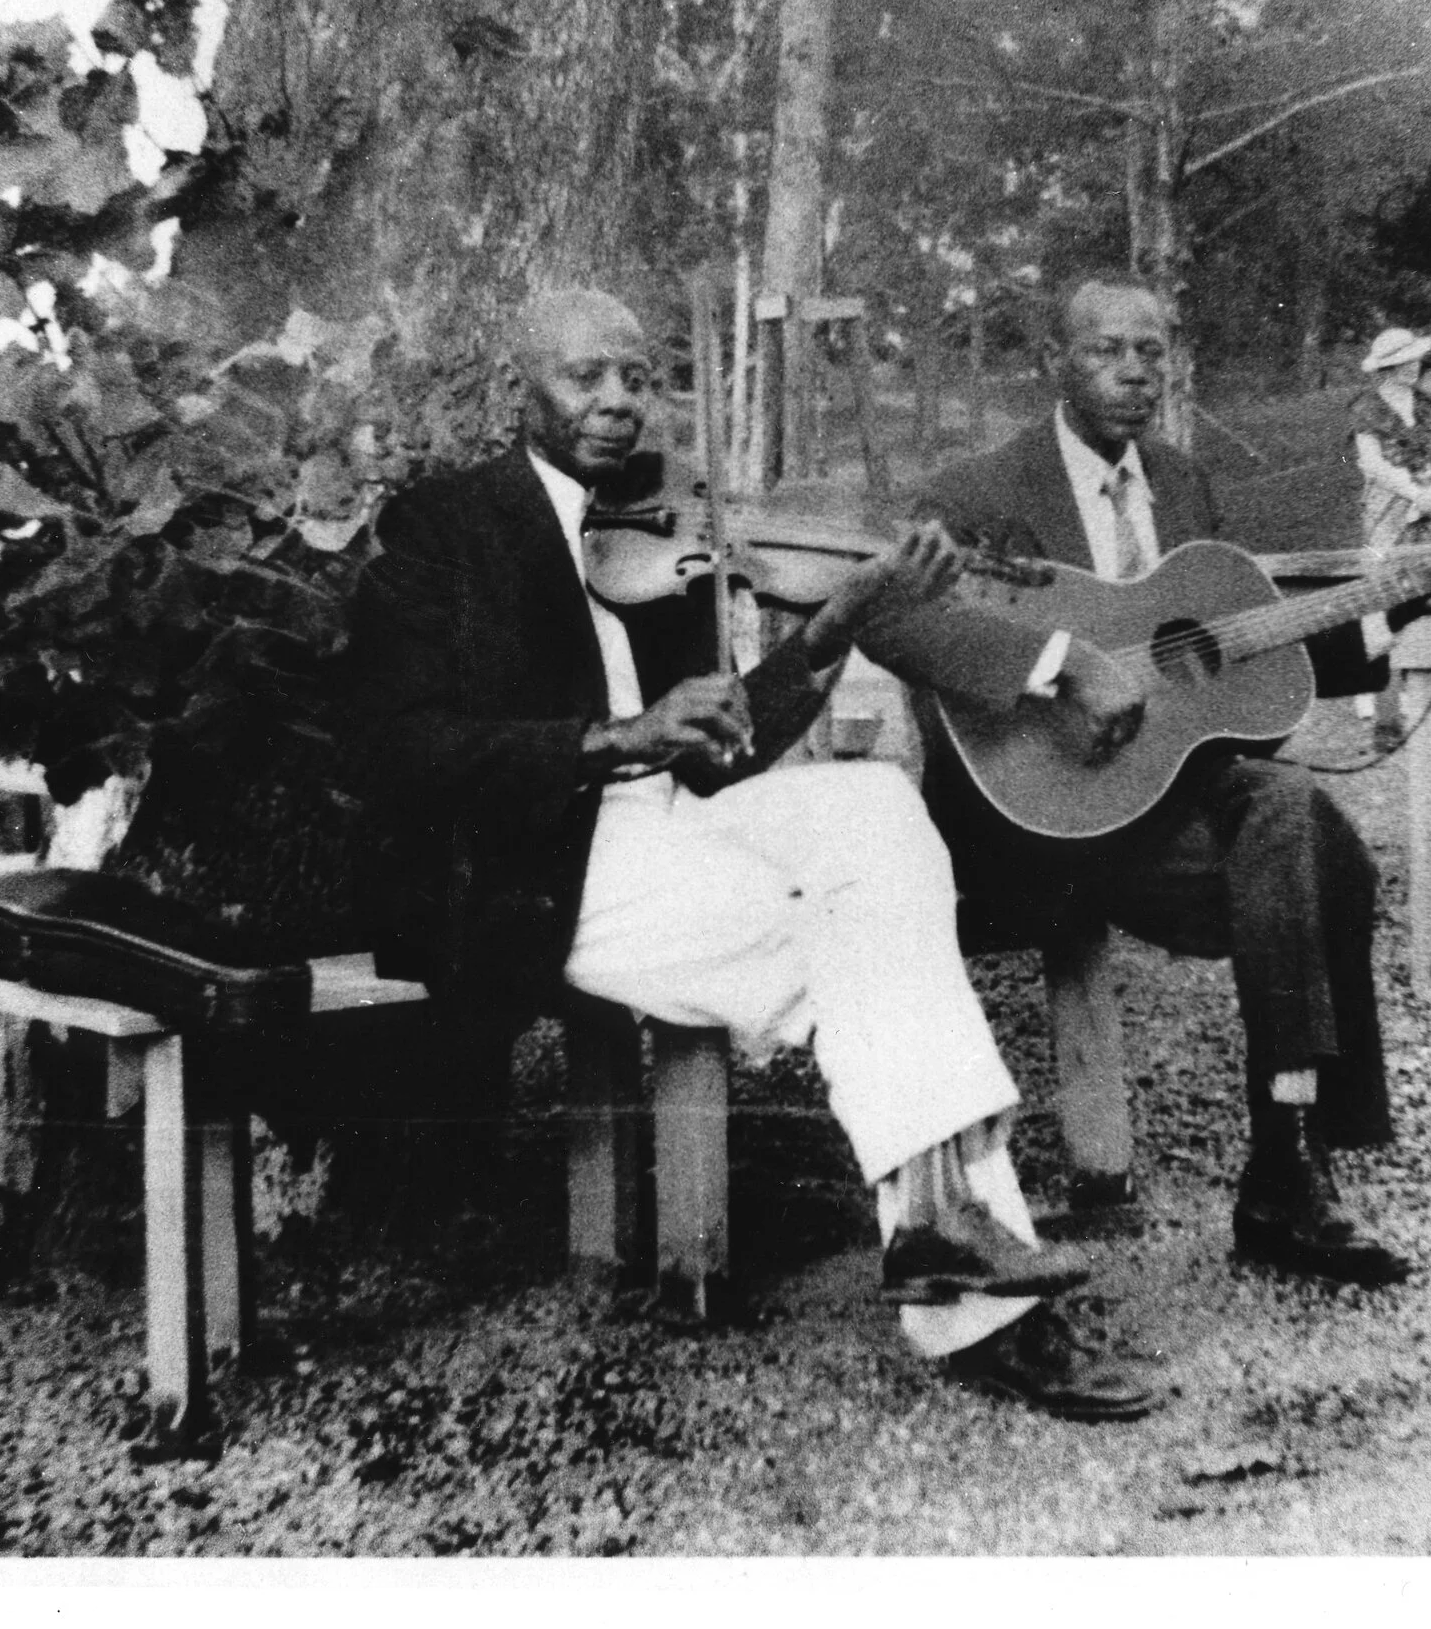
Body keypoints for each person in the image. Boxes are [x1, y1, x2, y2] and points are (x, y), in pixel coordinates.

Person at [343, 287, 1153, 1422]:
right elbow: (393, 752)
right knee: (857, 927)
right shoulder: (447, 524)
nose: (620, 403)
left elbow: (722, 757)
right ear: (517, 388)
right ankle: (975, 1289)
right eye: (589, 379)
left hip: (673, 833)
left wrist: (829, 628)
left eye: (639, 377)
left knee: (870, 806)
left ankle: (941, 1230)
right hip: (543, 874)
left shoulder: (660, 534)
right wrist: (610, 737)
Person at [861, 280, 1431, 1287]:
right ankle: (1290, 1172)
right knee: (1304, 836)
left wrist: (1407, 604)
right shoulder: (980, 491)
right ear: (1052, 365)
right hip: (1024, 818)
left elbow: (1243, 655)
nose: (1133, 371)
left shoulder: (1183, 486)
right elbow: (891, 615)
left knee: (1298, 820)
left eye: (1151, 351)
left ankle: (1285, 1156)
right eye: (1107, 349)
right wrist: (1059, 664)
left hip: (1153, 816)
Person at [1348, 327, 1431, 549]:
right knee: (1389, 568)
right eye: (1403, 362)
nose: (1412, 367)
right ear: (1387, 367)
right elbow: (1372, 464)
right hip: (1388, 504)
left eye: (1415, 360)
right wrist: (1415, 494)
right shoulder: (1367, 408)